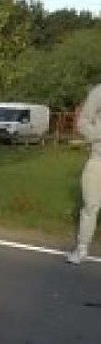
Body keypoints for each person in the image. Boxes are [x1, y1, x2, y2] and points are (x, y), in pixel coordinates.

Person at [67, 83, 101, 263]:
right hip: (98, 161)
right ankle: (82, 248)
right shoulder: (99, 92)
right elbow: (82, 123)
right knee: (90, 206)